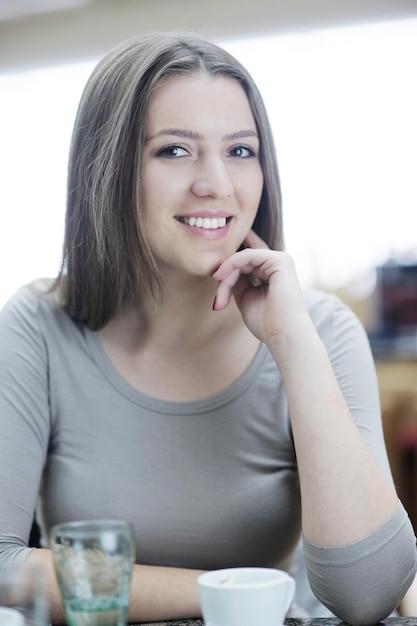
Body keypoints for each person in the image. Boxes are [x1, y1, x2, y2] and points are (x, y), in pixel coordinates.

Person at [0, 31, 415, 625]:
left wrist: (293, 345)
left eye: (241, 151)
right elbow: (2, 564)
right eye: (174, 150)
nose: (216, 183)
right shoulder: (36, 327)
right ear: (108, 170)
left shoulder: (319, 329)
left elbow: (369, 594)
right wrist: (227, 590)